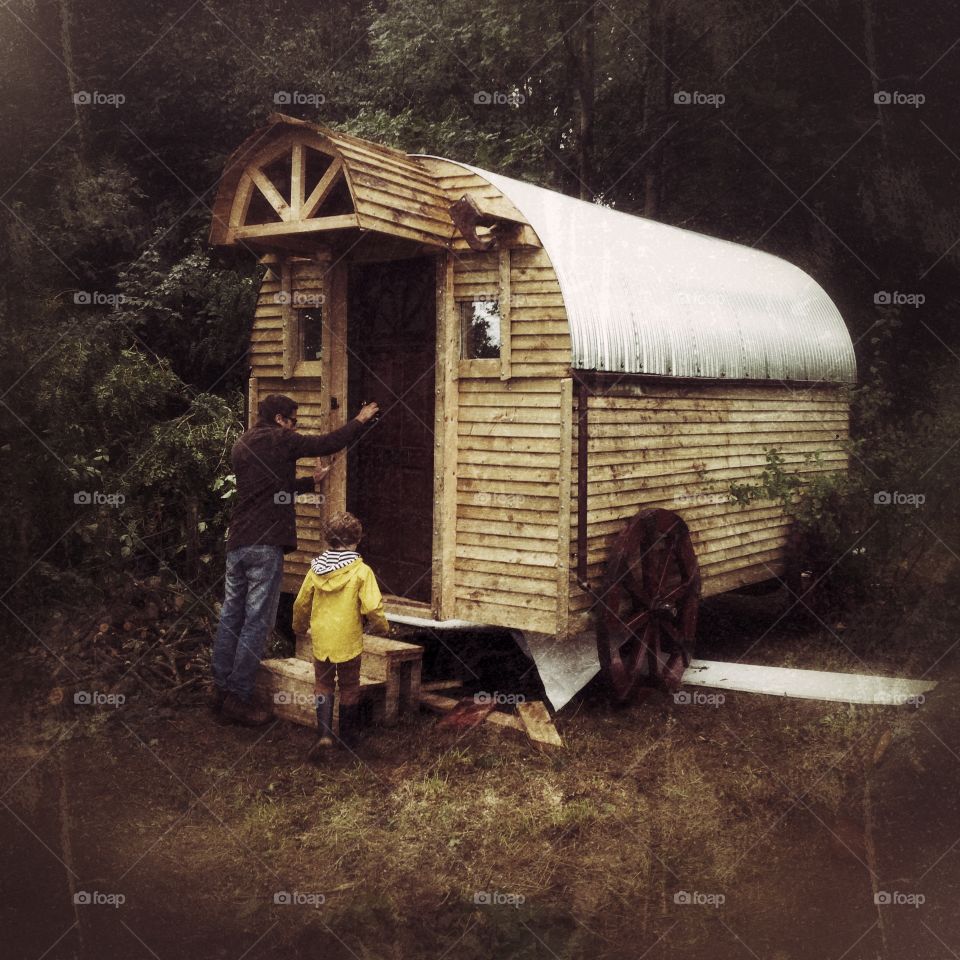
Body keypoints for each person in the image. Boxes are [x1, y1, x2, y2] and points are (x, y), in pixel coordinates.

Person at [212, 394, 379, 726]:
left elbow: (271, 489)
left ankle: (219, 691)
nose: (296, 425)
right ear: (279, 419)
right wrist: (360, 420)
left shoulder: (242, 444)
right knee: (257, 621)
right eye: (294, 419)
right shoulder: (281, 439)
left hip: (238, 542)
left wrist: (309, 482)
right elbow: (326, 442)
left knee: (232, 614)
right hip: (265, 544)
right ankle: (238, 697)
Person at [292, 511, 389, 758]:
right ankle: (348, 738)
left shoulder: (315, 570)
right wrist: (381, 628)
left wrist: (299, 627)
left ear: (329, 540)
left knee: (323, 684)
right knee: (349, 686)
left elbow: (301, 603)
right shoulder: (361, 571)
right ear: (356, 540)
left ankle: (324, 735)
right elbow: (372, 606)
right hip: (348, 640)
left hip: (322, 639)